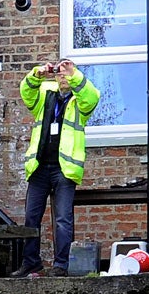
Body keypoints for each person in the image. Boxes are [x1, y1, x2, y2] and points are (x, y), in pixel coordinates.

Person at [11, 59, 101, 277]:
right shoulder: (46, 95)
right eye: (59, 74)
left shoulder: (80, 102)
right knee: (32, 217)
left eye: (67, 74)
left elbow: (92, 96)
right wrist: (37, 73)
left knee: (62, 219)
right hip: (40, 166)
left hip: (64, 168)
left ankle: (61, 264)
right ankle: (31, 262)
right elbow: (26, 91)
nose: (63, 77)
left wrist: (74, 74)